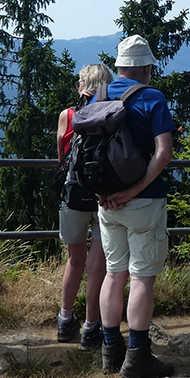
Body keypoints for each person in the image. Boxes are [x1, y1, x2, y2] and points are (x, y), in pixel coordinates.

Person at [95, 35, 177, 378]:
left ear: (119, 66)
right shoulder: (152, 97)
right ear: (146, 67)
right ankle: (137, 357)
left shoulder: (99, 95)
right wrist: (136, 190)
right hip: (143, 200)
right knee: (142, 277)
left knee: (114, 273)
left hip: (106, 202)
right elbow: (164, 153)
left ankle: (110, 350)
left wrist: (108, 193)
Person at [54, 63, 113, 347]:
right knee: (97, 266)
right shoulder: (112, 111)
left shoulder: (67, 115)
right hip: (105, 197)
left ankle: (65, 320)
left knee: (74, 261)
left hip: (73, 195)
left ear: (83, 84)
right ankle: (91, 327)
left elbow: (62, 157)